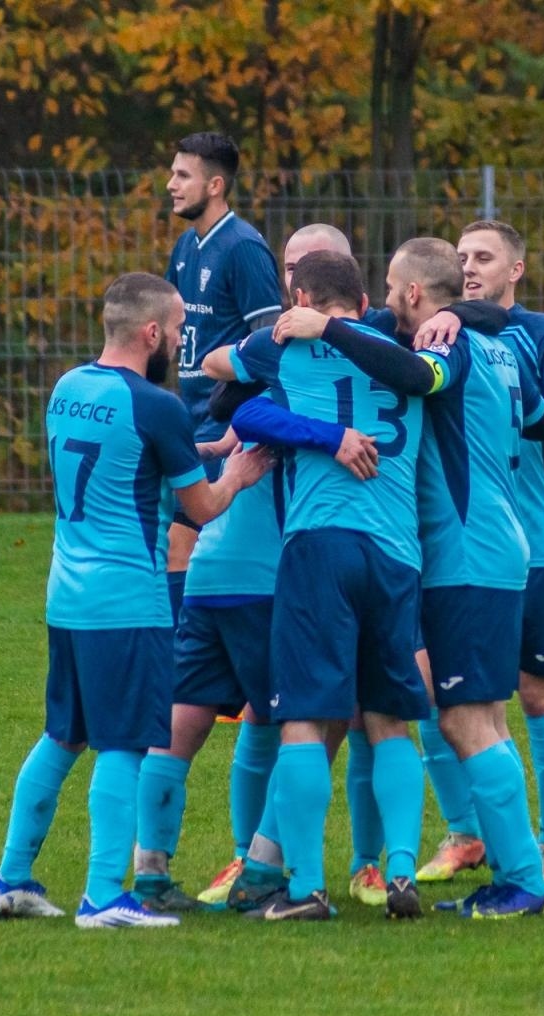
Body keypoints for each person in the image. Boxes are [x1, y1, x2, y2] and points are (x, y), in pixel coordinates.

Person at [271, 238, 544, 919]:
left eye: (391, 289)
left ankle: (525, 881)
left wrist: (328, 327)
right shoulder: (500, 345)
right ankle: (515, 874)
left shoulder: (443, 344)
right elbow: (526, 404)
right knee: (481, 717)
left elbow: (419, 377)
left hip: (464, 553)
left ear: (411, 294)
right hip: (497, 545)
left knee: (465, 720)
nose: (385, 302)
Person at [0, 273, 272, 929]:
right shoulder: (157, 406)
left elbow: (129, 462)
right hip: (127, 601)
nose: (181, 342)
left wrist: (203, 449)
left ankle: (11, 877)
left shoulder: (69, 388)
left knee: (63, 735)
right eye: (177, 330)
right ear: (151, 333)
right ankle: (104, 895)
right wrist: (236, 474)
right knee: (126, 745)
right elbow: (201, 506)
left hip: (67, 596)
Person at [204, 250, 436, 922]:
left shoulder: (283, 346)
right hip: (397, 550)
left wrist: (313, 422)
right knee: (389, 720)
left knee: (304, 719)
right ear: (365, 303)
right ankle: (400, 870)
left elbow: (224, 383)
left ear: (299, 300)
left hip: (319, 543)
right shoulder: (403, 350)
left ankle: (305, 887)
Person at [415, 220, 544, 886]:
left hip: (535, 545)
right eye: (461, 256)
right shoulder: (440, 335)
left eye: (484, 257)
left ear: (516, 269)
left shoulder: (542, 335)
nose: (469, 267)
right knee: (435, 686)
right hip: (457, 547)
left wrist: (512, 406)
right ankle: (467, 833)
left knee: (536, 692)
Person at [163, 131, 284, 621]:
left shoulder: (243, 249)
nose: (171, 184)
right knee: (181, 548)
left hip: (224, 426)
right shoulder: (185, 246)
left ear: (215, 185)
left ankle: (182, 657)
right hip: (188, 421)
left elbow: (269, 346)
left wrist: (235, 417)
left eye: (182, 175)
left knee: (182, 545)